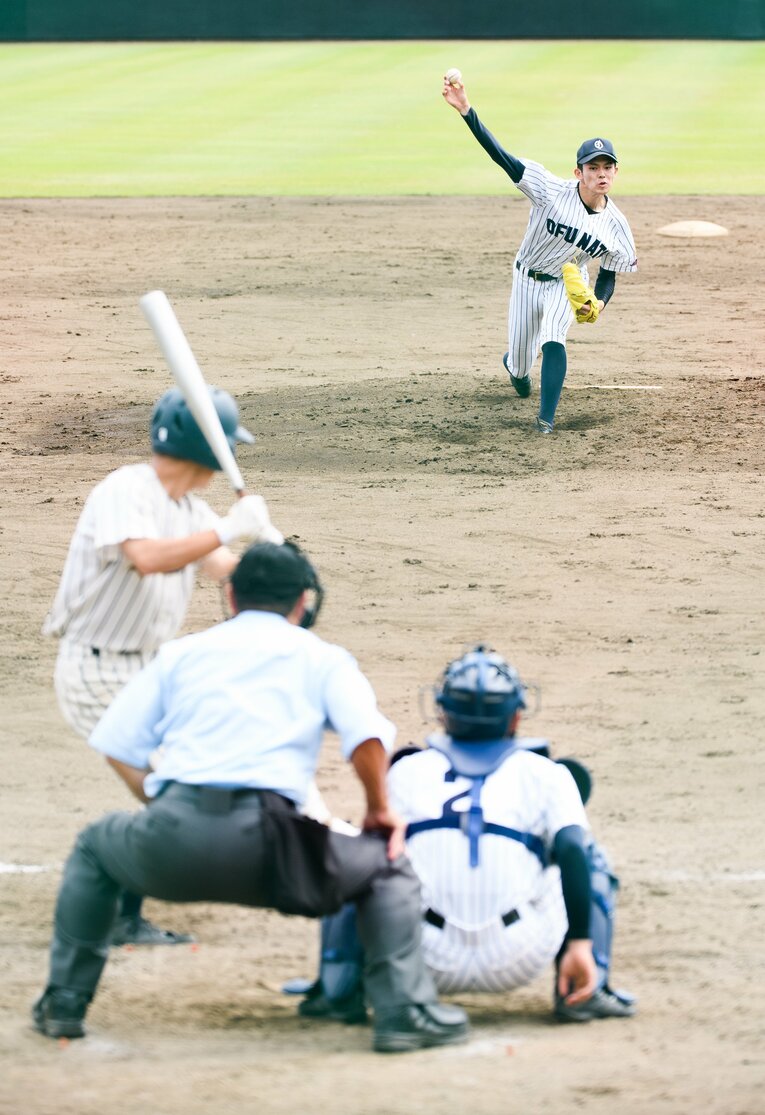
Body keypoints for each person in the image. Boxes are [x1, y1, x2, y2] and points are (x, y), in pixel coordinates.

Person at [32, 541, 469, 1054]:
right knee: (387, 867)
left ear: (231, 595)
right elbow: (368, 740)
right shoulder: (323, 657)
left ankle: (64, 1002)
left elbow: (116, 744)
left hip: (169, 845)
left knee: (95, 847)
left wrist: (162, 803)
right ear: (303, 602)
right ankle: (403, 1013)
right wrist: (378, 809)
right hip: (274, 854)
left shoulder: (182, 653)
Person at [42, 385, 283, 945]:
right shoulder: (125, 490)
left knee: (183, 781)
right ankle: (119, 913)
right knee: (168, 794)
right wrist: (227, 527)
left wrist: (274, 557)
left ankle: (122, 899)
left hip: (148, 674)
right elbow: (146, 557)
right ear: (203, 449)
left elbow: (227, 571)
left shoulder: (189, 509)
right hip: (96, 674)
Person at [295, 645, 636, 1025]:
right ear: (516, 717)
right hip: (521, 955)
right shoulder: (547, 773)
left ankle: (338, 988)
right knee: (589, 857)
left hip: (420, 955)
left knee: (361, 853)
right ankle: (586, 989)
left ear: (441, 712)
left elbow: (377, 853)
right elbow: (572, 848)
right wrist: (579, 942)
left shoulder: (407, 771)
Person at [442, 71, 637, 434]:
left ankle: (545, 420)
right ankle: (516, 370)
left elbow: (609, 272)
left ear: (615, 171)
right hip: (526, 277)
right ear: (578, 172)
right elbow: (502, 158)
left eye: (607, 167)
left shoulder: (617, 225)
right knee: (519, 364)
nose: (601, 174)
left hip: (566, 283)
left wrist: (599, 302)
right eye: (593, 167)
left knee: (553, 336)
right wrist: (467, 111)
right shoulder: (549, 189)